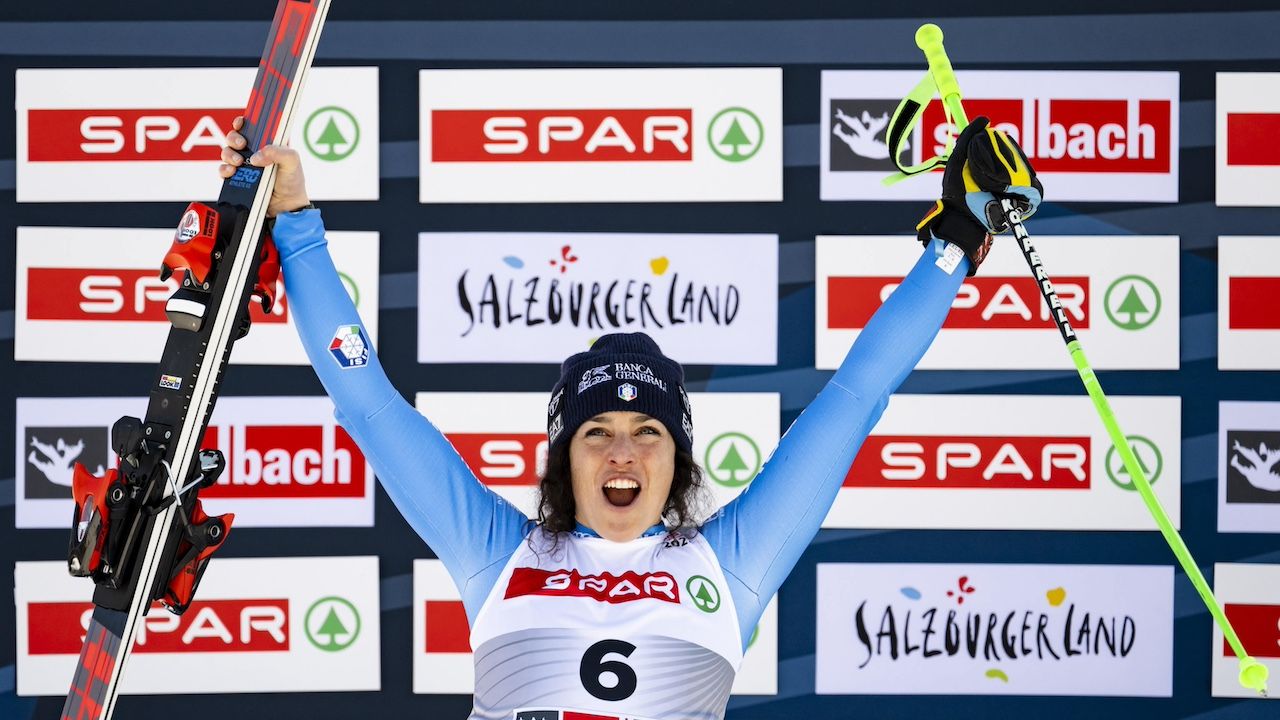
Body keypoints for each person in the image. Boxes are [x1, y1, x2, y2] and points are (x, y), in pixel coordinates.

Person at [220, 115, 1041, 719]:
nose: (623, 453)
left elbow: (855, 397)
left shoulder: (730, 565)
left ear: (678, 463)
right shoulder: (499, 551)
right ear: (563, 459)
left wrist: (957, 242)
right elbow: (367, 402)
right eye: (597, 433)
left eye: (649, 433)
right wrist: (296, 225)